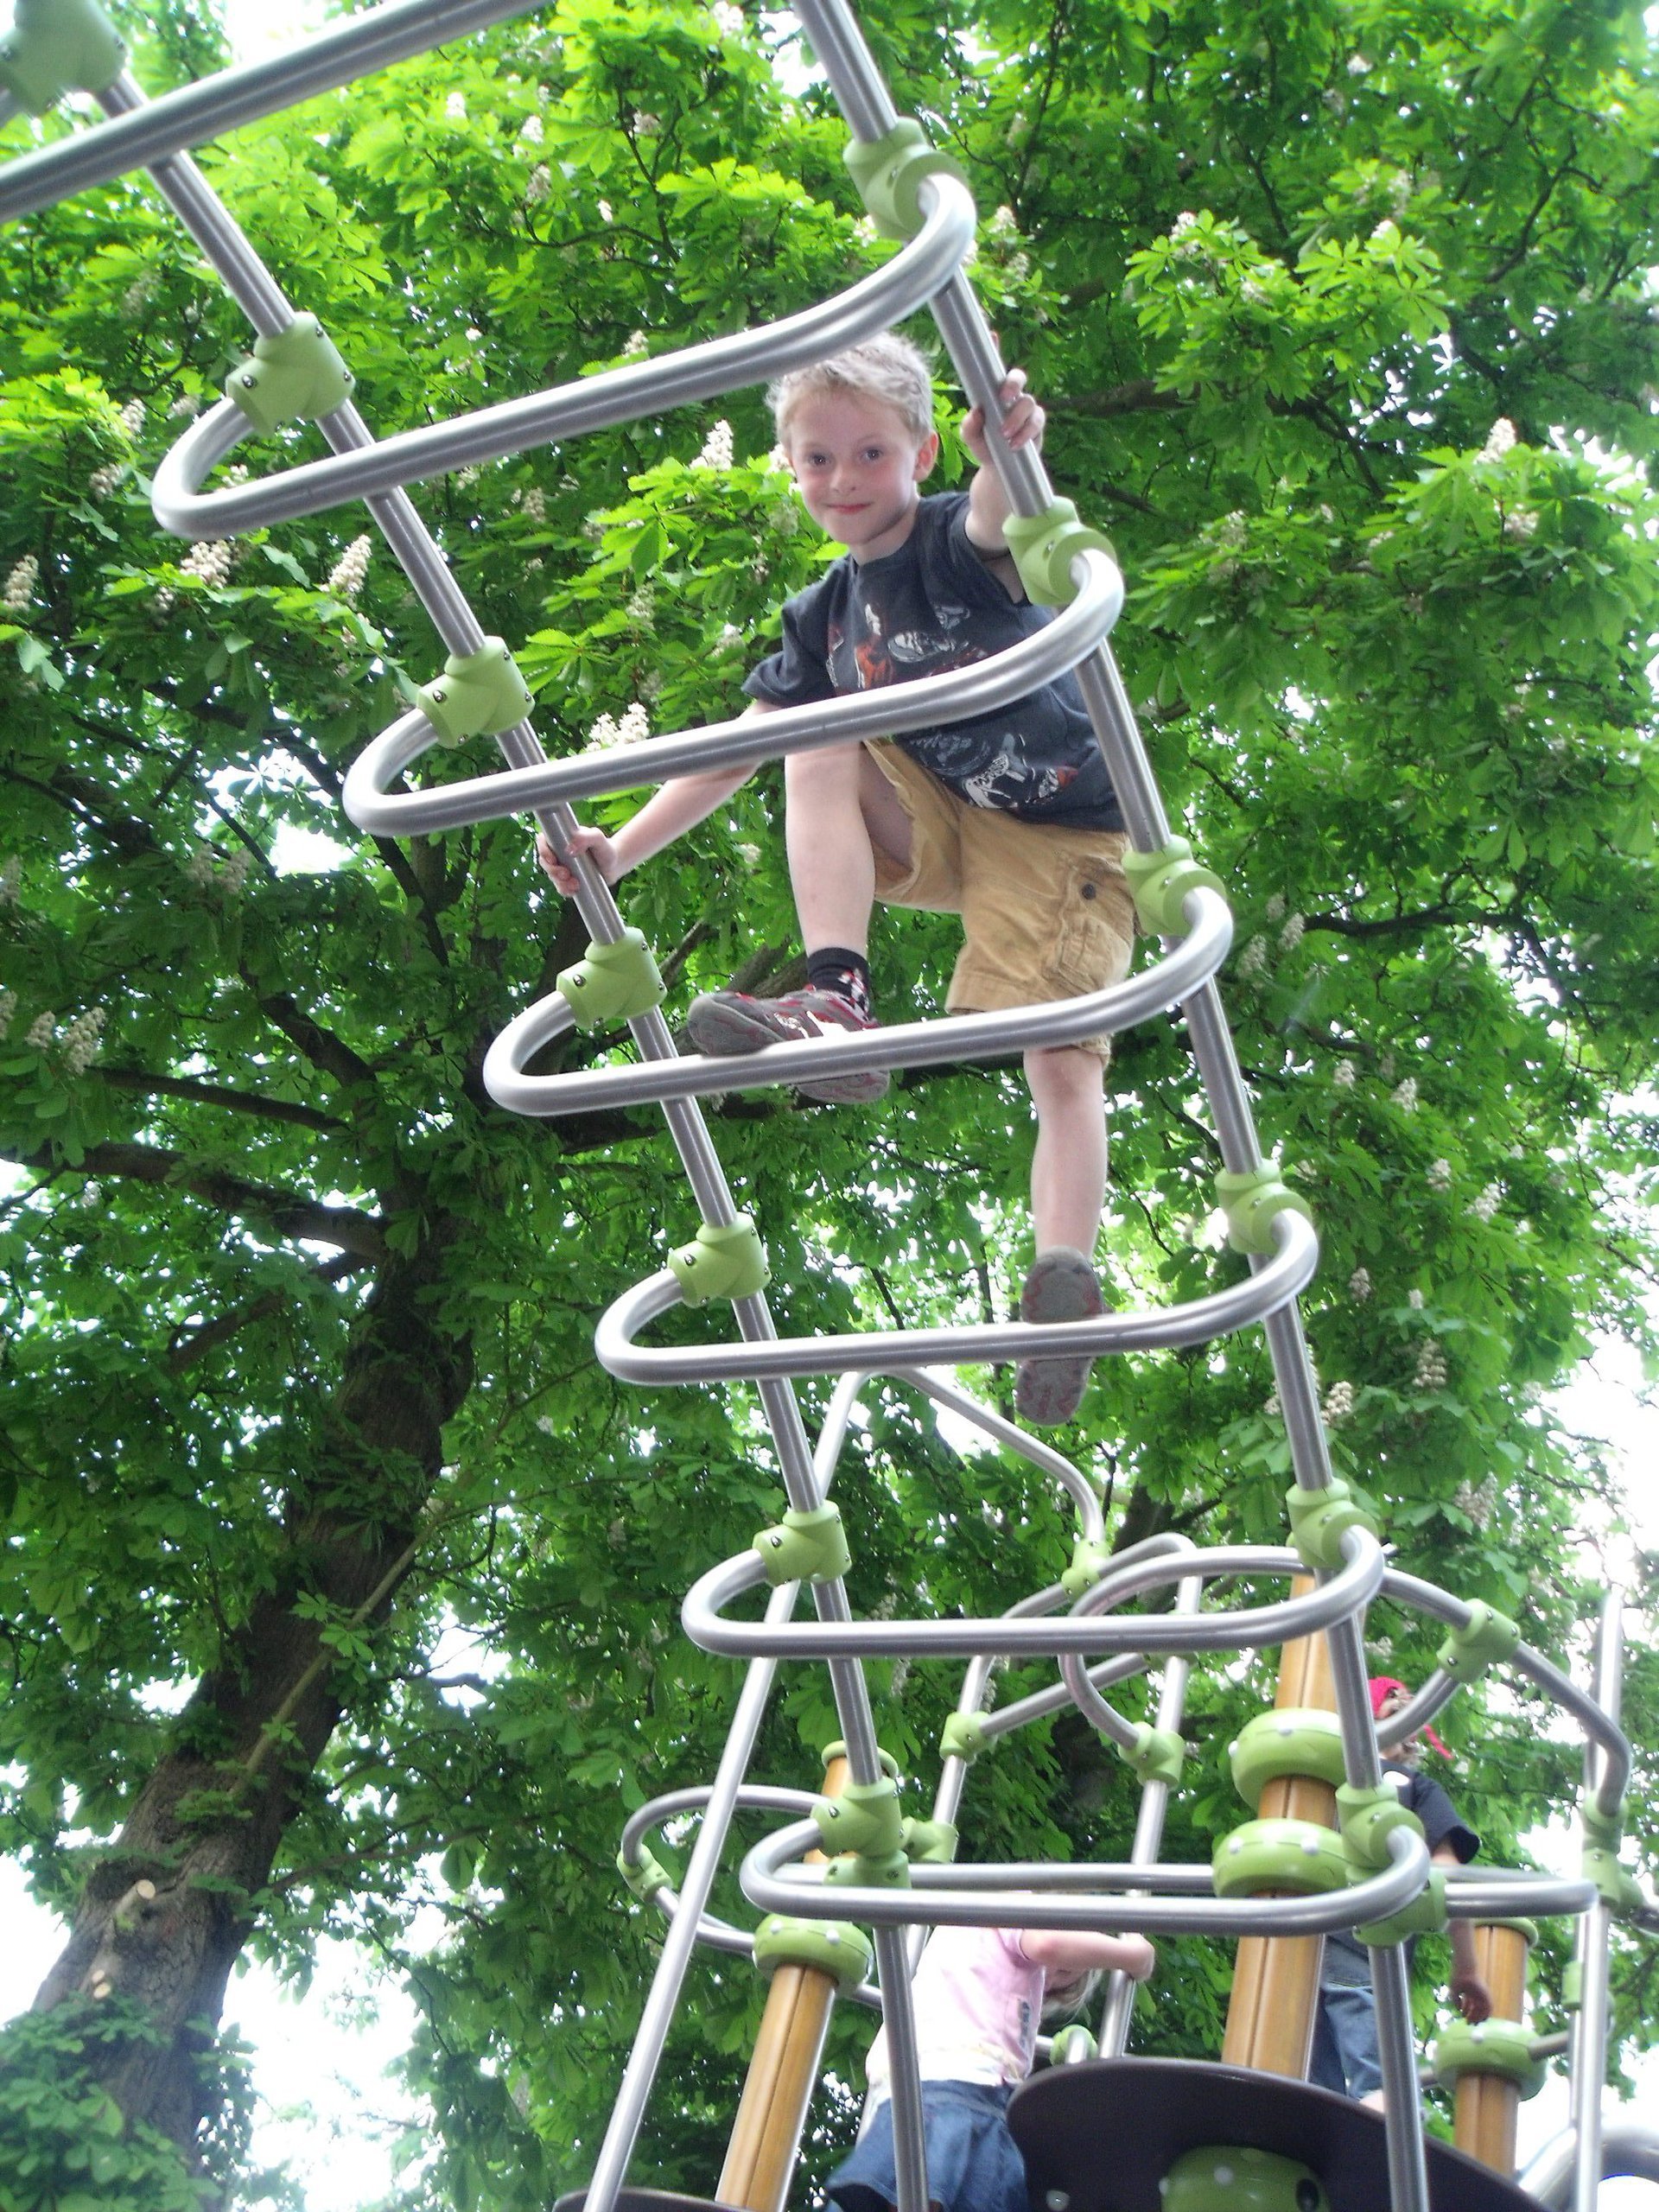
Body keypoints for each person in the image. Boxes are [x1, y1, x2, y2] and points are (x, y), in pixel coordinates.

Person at [537, 331, 1135, 1427]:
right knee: (816, 732)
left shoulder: (956, 538)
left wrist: (1006, 445)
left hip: (1068, 837)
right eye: (818, 459)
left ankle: (1065, 1285)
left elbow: (1010, 515)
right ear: (789, 464)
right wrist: (620, 847)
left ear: (917, 452)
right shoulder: (823, 614)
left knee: (1057, 1057)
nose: (844, 482)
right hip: (947, 817)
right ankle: (838, 1002)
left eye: (870, 454)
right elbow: (734, 747)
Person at [827, 1920, 1156, 2212]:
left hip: (905, 2093)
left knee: (912, 2185)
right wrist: (1134, 1957)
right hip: (965, 2087)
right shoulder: (1009, 1911)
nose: (1047, 1975)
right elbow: (1048, 1944)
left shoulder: (955, 1950)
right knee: (942, 2183)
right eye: (1070, 1969)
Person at [1310, 1675, 1493, 2107]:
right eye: (1394, 1703)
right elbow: (1450, 1878)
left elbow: (1448, 1876)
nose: (1404, 1708)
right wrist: (1467, 1968)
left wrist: (1466, 1966)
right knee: (1360, 2086)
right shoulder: (1338, 1776)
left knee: (1322, 2085)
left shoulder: (1393, 1784)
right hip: (1343, 1938)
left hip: (1328, 1940)